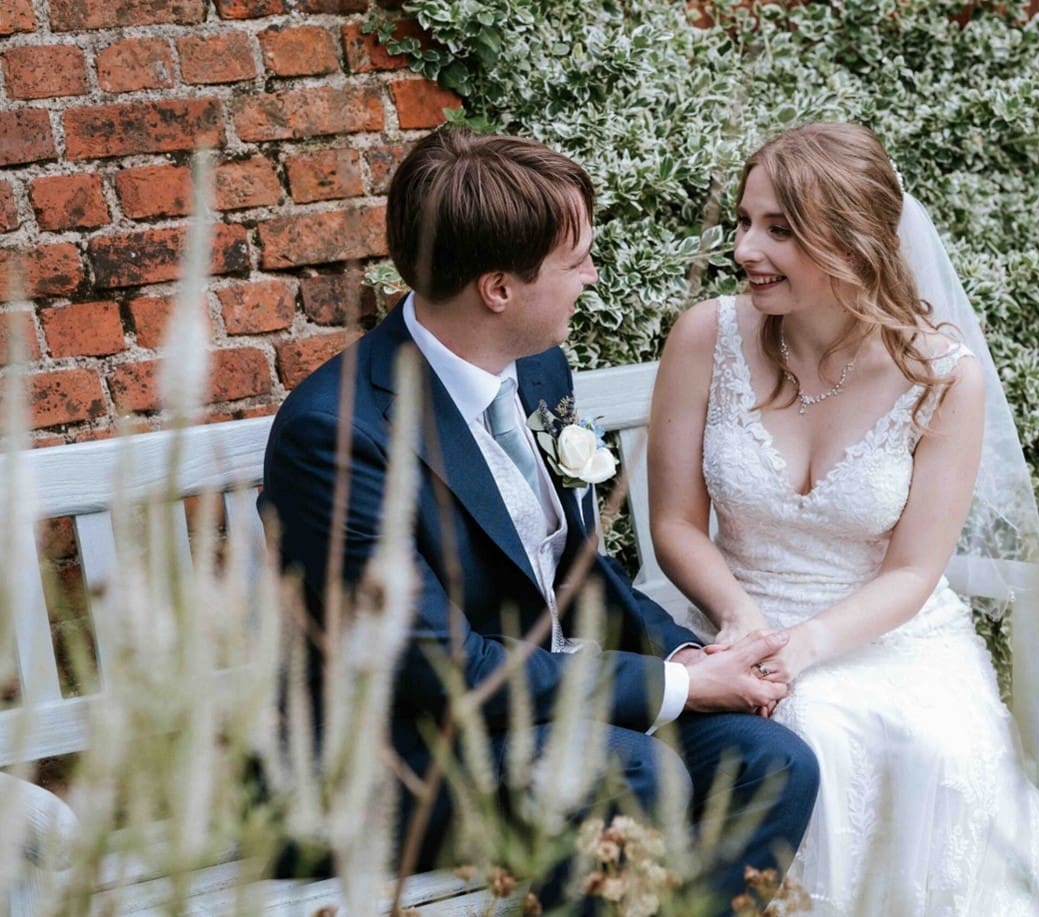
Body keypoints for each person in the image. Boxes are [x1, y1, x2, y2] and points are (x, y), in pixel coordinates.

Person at [259, 126, 819, 911]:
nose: (592, 276)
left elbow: (577, 565)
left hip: (569, 708)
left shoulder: (537, 365)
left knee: (773, 762)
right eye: (576, 260)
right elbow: (441, 672)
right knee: (630, 769)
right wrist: (673, 683)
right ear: (498, 288)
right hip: (407, 760)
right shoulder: (339, 435)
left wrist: (693, 653)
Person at [648, 122, 1039, 914]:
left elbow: (912, 569)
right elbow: (674, 524)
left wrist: (802, 647)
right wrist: (742, 620)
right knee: (804, 729)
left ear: (852, 242)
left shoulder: (941, 376)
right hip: (733, 612)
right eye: (742, 222)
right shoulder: (707, 336)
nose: (744, 249)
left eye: (777, 229)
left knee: (918, 742)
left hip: (888, 634)